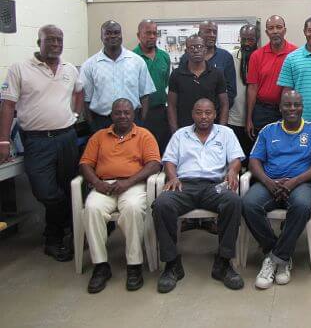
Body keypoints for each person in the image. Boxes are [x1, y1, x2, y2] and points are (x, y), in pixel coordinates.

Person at [0, 24, 83, 261]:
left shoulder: (69, 69)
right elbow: (8, 105)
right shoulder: (20, 69)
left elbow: (79, 92)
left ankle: (55, 238)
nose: (56, 44)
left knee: (69, 186)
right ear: (39, 42)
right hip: (37, 141)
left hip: (67, 138)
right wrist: (3, 141)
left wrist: (75, 115)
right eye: (50, 40)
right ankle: (64, 224)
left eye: (59, 40)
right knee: (45, 191)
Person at [152, 98, 245, 292]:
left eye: (208, 112)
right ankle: (172, 264)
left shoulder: (225, 133)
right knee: (162, 204)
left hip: (214, 185)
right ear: (192, 114)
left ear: (215, 114)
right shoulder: (181, 135)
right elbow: (169, 161)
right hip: (185, 185)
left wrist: (232, 171)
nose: (204, 116)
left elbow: (236, 159)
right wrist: (172, 177)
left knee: (233, 201)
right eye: (199, 112)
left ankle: (224, 262)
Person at [243, 90, 311, 289]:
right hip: (270, 183)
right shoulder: (268, 130)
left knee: (302, 205)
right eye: (287, 105)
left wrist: (295, 181)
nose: (292, 109)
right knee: (248, 204)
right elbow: (254, 160)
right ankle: (280, 254)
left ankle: (276, 258)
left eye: (296, 105)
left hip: (300, 183)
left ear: (302, 107)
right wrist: (267, 181)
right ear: (280, 107)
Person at [79, 98, 161, 293]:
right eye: (118, 112)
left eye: (127, 112)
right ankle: (101, 266)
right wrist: (96, 182)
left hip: (133, 184)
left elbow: (154, 164)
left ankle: (134, 265)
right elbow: (85, 164)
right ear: (111, 115)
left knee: (132, 209)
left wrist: (128, 182)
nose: (122, 116)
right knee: (92, 209)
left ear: (133, 115)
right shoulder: (99, 136)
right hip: (104, 185)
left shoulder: (144, 135)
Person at [81, 20, 155, 132]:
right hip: (102, 122)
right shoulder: (89, 65)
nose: (113, 36)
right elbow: (86, 100)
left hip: (132, 121)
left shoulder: (137, 61)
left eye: (116, 32)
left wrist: (141, 122)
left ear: (121, 35)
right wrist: (92, 125)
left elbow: (145, 95)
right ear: (101, 37)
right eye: (108, 33)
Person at [246, 15, 297, 139]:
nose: (275, 31)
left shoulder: (295, 54)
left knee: (286, 145)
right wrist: (248, 118)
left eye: (278, 27)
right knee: (263, 146)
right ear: (266, 32)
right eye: (271, 28)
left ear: (284, 30)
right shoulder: (256, 55)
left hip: (288, 110)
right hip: (262, 111)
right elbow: (252, 88)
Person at [167, 35, 228, 132]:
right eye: (191, 47)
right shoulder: (176, 74)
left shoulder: (217, 74)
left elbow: (224, 104)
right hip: (184, 130)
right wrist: (175, 131)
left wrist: (221, 131)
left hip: (211, 130)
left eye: (199, 46)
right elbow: (171, 105)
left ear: (205, 50)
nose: (196, 50)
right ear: (186, 51)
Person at [133, 19, 171, 154]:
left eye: (155, 33)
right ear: (139, 35)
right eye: (148, 33)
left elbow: (165, 82)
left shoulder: (164, 56)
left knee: (161, 149)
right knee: (142, 150)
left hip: (160, 111)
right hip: (139, 113)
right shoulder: (131, 58)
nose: (152, 36)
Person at [179, 21, 236, 109]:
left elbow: (231, 90)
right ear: (199, 34)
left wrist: (217, 111)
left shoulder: (225, 57)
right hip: (190, 112)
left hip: (216, 113)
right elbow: (180, 86)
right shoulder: (186, 57)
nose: (212, 35)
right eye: (208, 31)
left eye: (215, 32)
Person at [229, 24, 259, 162]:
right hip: (234, 119)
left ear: (257, 40)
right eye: (244, 39)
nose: (247, 43)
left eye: (251, 39)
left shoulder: (261, 57)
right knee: (236, 161)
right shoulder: (231, 57)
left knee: (254, 159)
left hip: (256, 119)